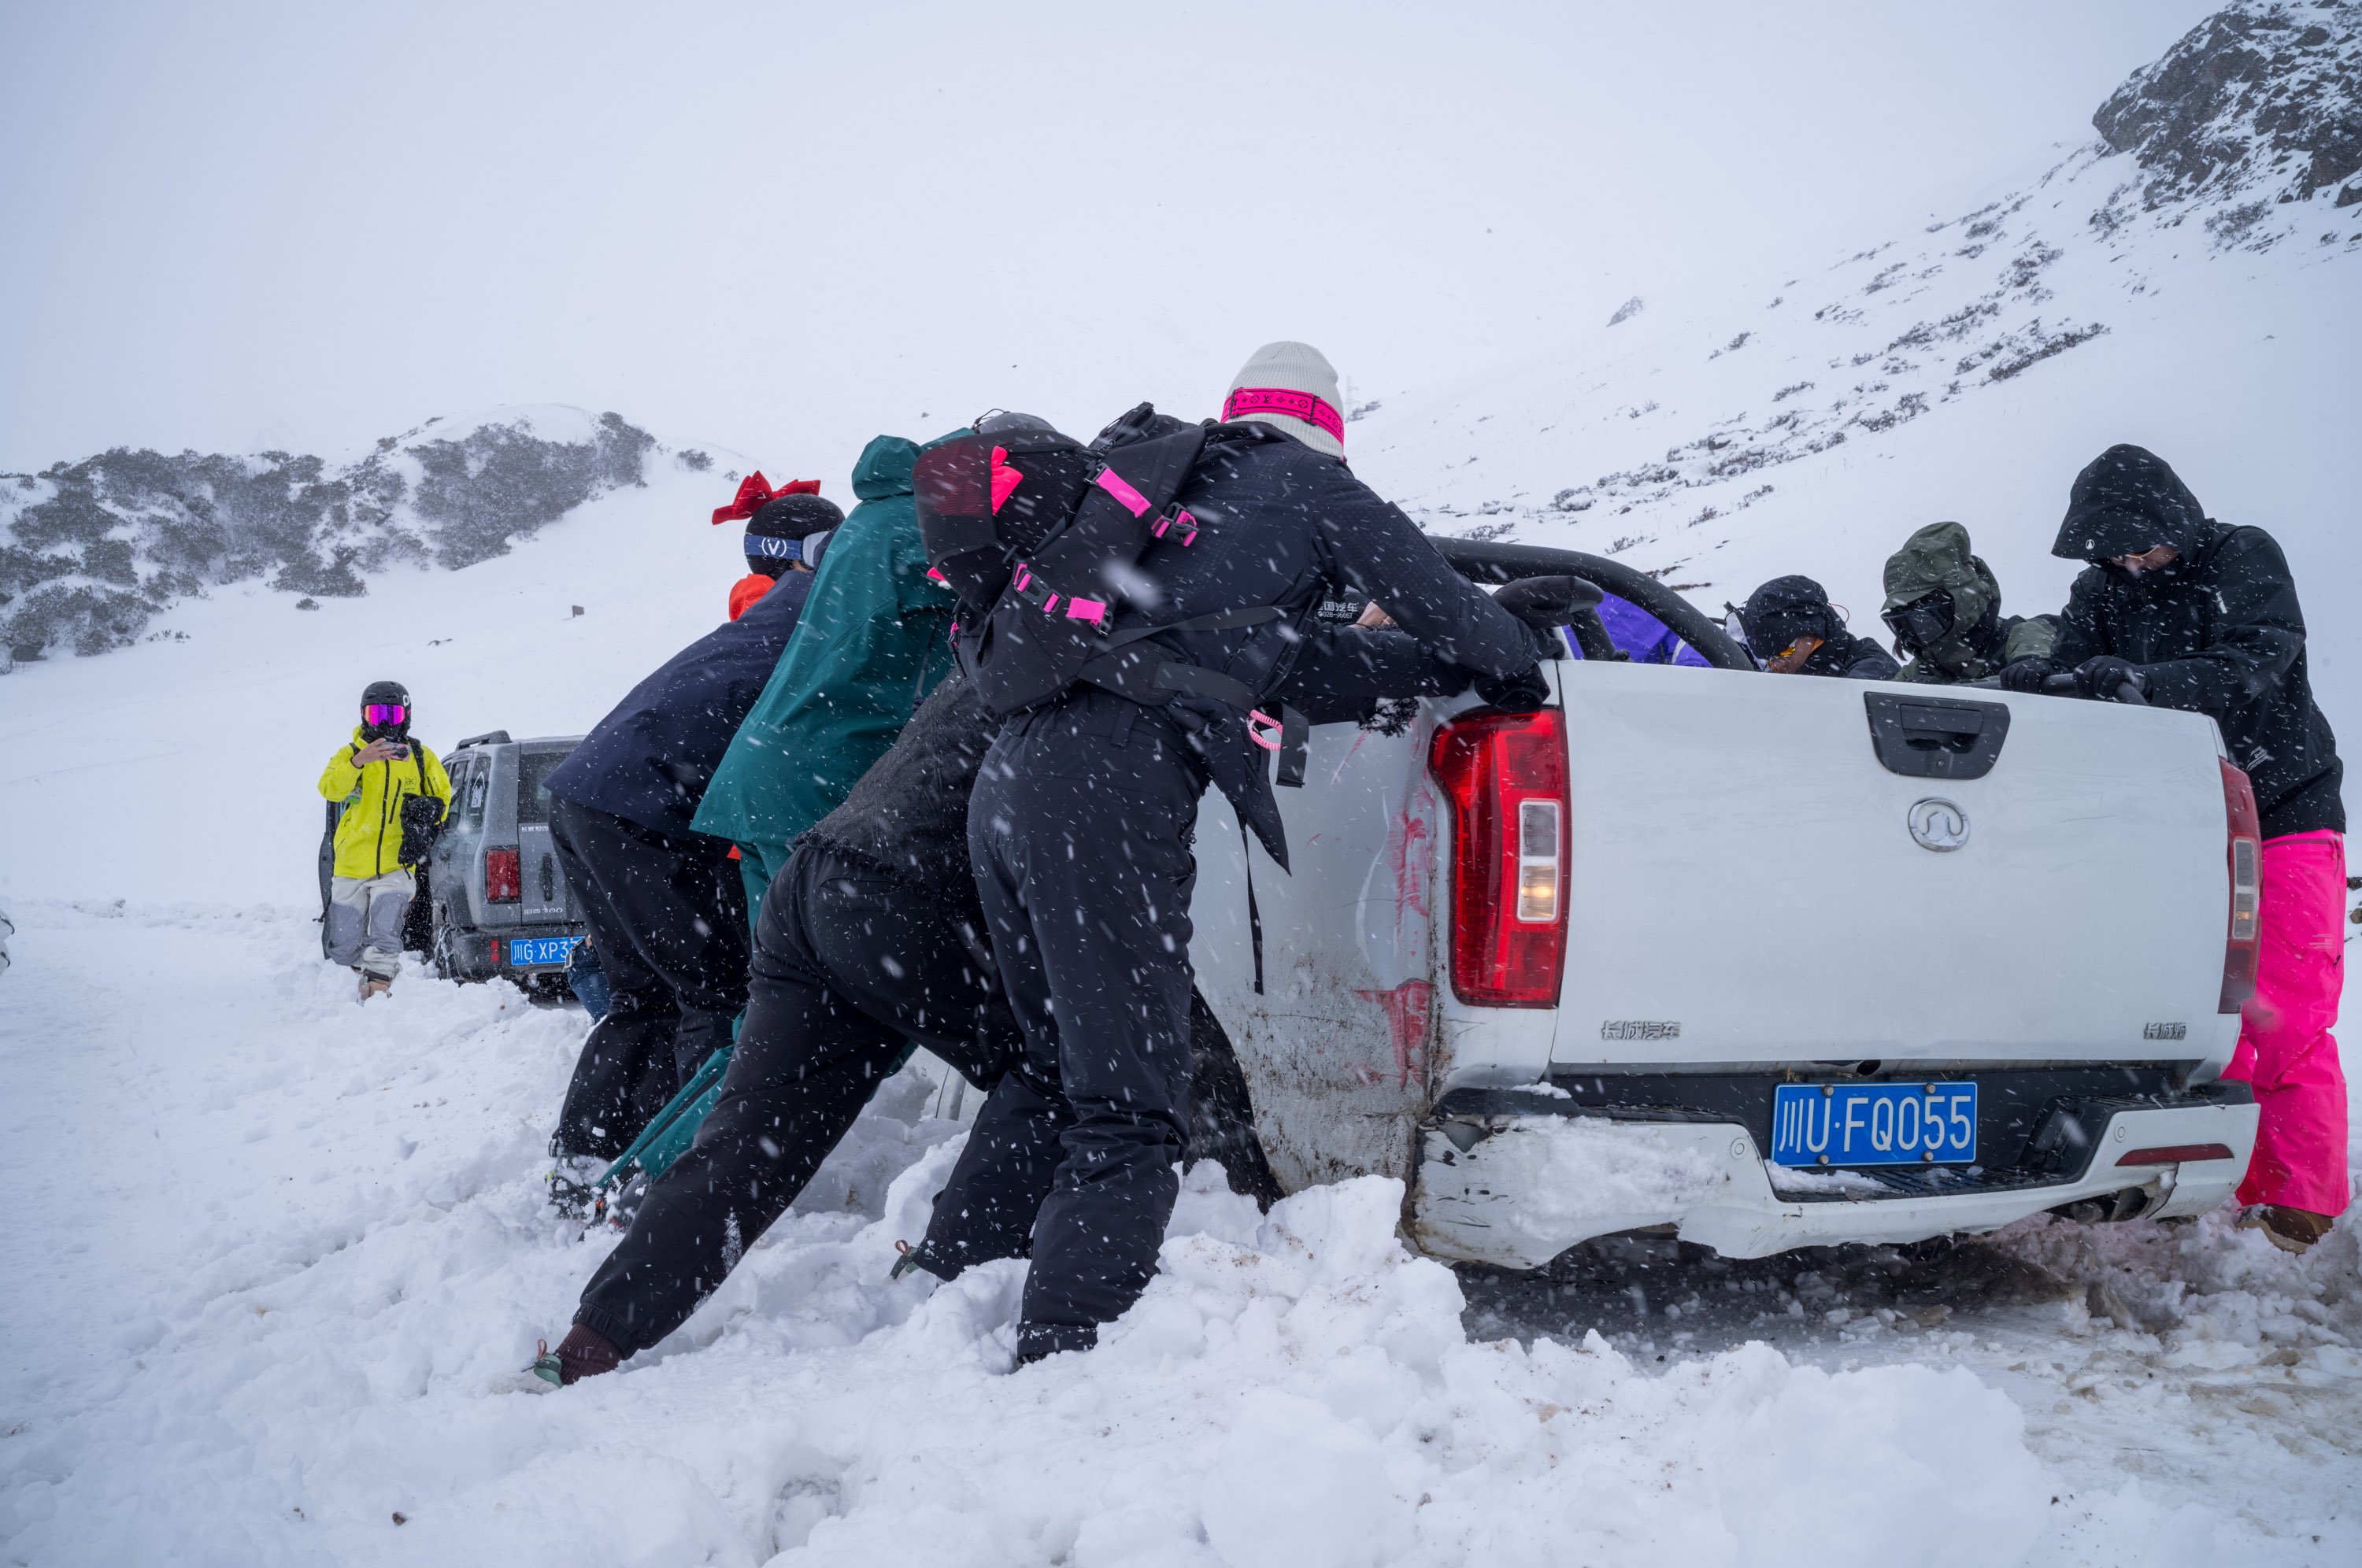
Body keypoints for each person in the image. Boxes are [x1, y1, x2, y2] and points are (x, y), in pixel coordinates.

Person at [913, 343, 1549, 1364]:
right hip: (1104, 786)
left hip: (1011, 781)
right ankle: (1065, 1351)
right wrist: (1510, 652)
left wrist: (1423, 658)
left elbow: (1292, 664)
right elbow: (1440, 600)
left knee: (1055, 1066)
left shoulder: (1165, 499)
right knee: (1131, 1105)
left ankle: (950, 1276)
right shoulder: (1307, 485)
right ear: (1328, 426)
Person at [2003, 443, 2346, 1252]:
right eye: (2112, 547)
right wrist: (2040, 673)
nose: (2129, 559)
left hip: (2283, 809)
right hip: (2172, 824)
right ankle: (2206, 1191)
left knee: (2281, 1012)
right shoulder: (2100, 587)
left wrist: (2149, 682)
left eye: (2141, 542)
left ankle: (2297, 1209)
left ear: (2175, 520)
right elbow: (2075, 663)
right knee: (2174, 1013)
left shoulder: (2242, 556)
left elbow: (2261, 657)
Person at [539, 543, 821, 1159]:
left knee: (646, 996)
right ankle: (693, 1173)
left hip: (585, 794)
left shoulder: (793, 602)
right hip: (645, 809)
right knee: (715, 995)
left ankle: (591, 1154)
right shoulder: (846, 616)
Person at [693, 433, 962, 926]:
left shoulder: (871, 526)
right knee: (823, 966)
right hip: (810, 783)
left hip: (766, 779)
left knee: (780, 977)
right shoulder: (924, 528)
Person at [317, 681, 451, 1002]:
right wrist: (359, 762)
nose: (384, 723)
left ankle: (377, 991)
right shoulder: (350, 754)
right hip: (351, 863)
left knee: (386, 930)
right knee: (342, 947)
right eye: (375, 714)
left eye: (392, 714)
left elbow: (443, 797)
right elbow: (330, 789)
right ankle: (368, 971)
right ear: (363, 716)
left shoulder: (421, 756)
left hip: (396, 863)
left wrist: (429, 807)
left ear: (406, 715)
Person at [1879, 521, 2055, 683]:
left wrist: (1942, 695)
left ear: (1960, 603)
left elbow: (2036, 642)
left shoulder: (2023, 638)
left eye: (1924, 621)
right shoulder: (1921, 669)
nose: (1918, 637)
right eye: (1904, 627)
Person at [710, 473, 833, 621]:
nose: (828, 560)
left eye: (837, 545)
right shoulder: (773, 620)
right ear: (777, 556)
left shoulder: (824, 600)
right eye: (815, 549)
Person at [1736, 575, 1899, 679]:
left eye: (1785, 652)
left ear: (1814, 630)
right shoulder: (1787, 675)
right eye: (1770, 660)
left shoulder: (1873, 669)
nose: (1778, 665)